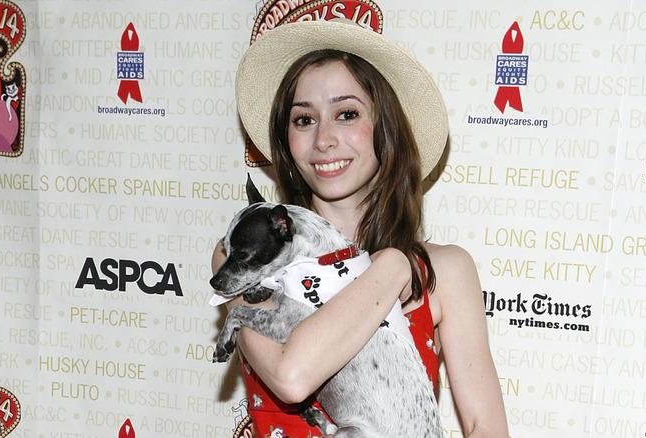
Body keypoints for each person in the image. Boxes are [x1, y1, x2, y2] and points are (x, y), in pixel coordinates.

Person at [212, 18, 509, 438]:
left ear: (385, 128)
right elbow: (291, 375)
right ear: (286, 138)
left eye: (346, 113)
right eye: (303, 119)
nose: (324, 139)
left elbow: (485, 427)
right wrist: (390, 269)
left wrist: (401, 262)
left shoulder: (446, 269)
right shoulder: (244, 255)